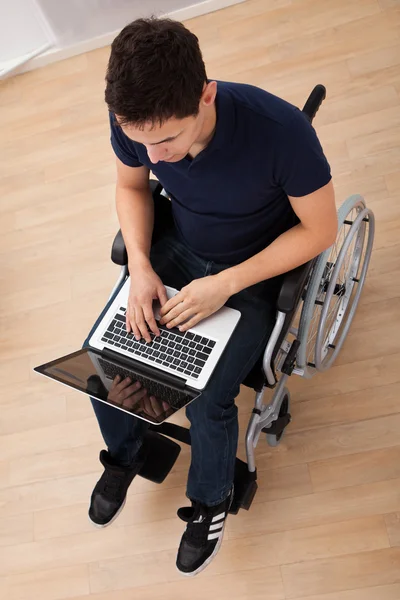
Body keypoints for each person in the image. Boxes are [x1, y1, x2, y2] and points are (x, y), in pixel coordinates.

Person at [87, 16, 337, 576]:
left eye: (167, 140)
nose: (154, 157)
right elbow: (132, 187)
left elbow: (320, 232)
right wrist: (143, 267)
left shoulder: (281, 131)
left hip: (251, 269)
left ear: (206, 94)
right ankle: (128, 453)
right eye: (142, 142)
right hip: (178, 245)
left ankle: (210, 501)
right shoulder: (137, 117)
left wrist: (224, 283)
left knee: (207, 398)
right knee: (106, 360)